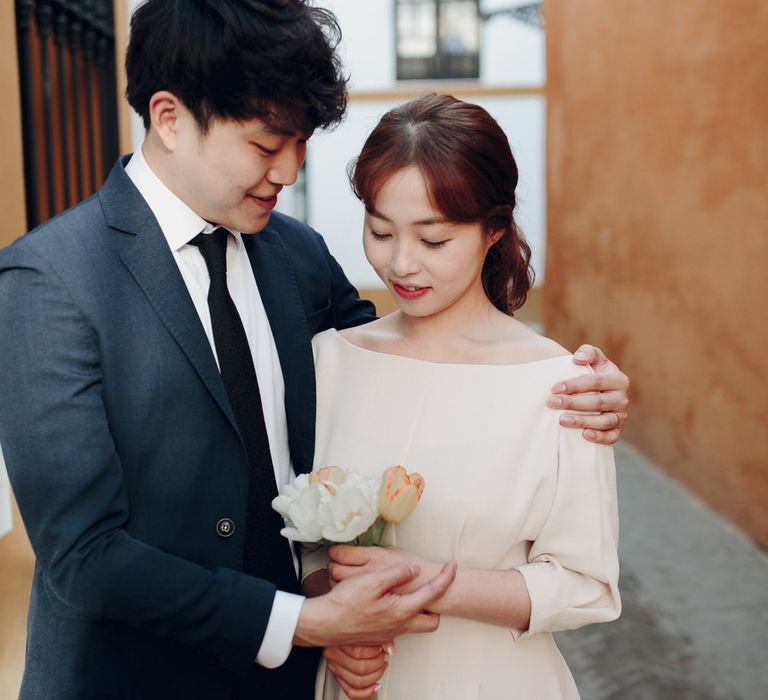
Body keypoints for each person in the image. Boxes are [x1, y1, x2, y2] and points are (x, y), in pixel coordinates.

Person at [0, 2, 626, 699]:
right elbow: (83, 554)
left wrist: (585, 394)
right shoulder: (50, 279)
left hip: (310, 683)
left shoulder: (295, 255)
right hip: (134, 678)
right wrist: (308, 619)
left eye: (302, 143)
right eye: (268, 147)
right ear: (170, 118)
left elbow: (409, 373)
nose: (291, 171)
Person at [307, 94, 621, 700]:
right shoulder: (333, 360)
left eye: (434, 239)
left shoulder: (560, 384)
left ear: (493, 229)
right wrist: (335, 625)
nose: (401, 263)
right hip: (358, 680)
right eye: (380, 231)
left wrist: (429, 583)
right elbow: (305, 542)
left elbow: (587, 584)